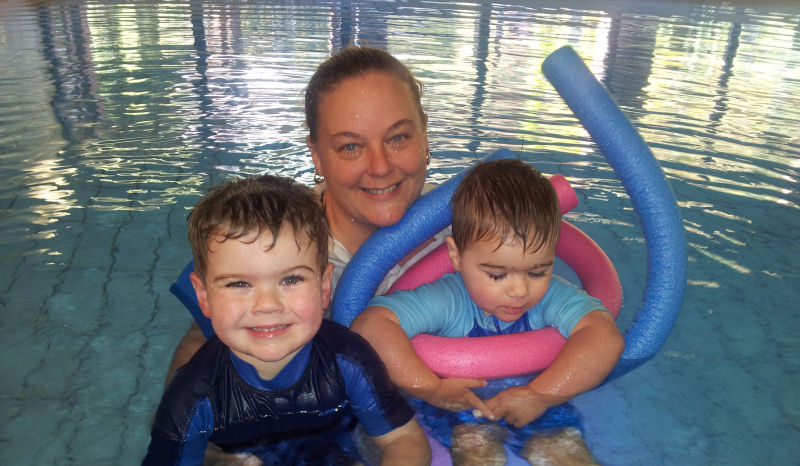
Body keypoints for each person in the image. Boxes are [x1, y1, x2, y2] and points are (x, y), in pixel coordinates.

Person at [166, 45, 445, 379]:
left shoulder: (470, 222)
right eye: (351, 147)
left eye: (398, 137)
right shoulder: (269, 239)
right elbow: (202, 338)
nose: (380, 166)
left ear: (424, 134)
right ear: (316, 154)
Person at [350, 159, 625, 466]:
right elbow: (371, 325)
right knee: (474, 447)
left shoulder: (553, 297)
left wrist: (542, 395)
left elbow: (605, 336)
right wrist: (431, 388)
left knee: (565, 452)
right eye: (497, 275)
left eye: (537, 271)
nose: (520, 291)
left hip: (539, 401)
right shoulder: (449, 298)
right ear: (456, 256)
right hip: (465, 411)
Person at [144, 175, 431, 465]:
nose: (267, 305)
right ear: (204, 298)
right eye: (239, 284)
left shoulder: (349, 361)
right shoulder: (192, 399)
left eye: (291, 279)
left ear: (323, 288)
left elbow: (402, 439)